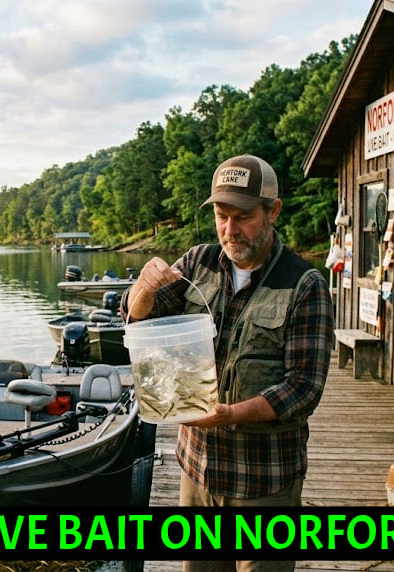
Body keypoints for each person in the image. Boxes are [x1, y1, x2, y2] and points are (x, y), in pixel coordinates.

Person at [122, 154, 334, 572]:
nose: (230, 230)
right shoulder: (197, 263)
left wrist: (229, 415)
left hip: (265, 483)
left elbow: (303, 389)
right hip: (197, 472)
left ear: (273, 211)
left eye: (243, 216)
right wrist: (142, 288)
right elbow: (137, 318)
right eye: (221, 216)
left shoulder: (304, 285)